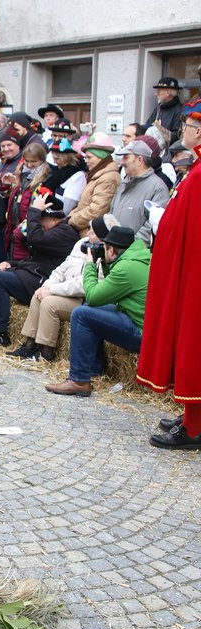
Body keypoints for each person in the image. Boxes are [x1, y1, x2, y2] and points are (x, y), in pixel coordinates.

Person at [137, 102, 201, 448]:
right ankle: (193, 415)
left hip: (194, 273)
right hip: (189, 267)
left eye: (188, 126)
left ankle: (194, 428)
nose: (183, 132)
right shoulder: (197, 168)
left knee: (195, 345)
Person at [46, 225, 150, 397]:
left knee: (81, 314)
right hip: (141, 319)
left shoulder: (127, 269)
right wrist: (106, 262)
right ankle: (93, 368)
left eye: (105, 247)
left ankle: (79, 380)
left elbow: (93, 295)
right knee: (90, 308)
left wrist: (90, 265)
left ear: (113, 250)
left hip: (141, 331)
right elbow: (104, 296)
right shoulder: (138, 257)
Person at [0, 191, 79, 347]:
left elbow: (35, 238)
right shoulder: (54, 230)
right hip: (33, 274)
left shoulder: (65, 232)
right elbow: (33, 260)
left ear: (54, 218)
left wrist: (34, 211)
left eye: (43, 219)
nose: (39, 223)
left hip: (43, 281)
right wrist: (11, 264)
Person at [9, 214, 118, 361]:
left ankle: (46, 352)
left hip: (83, 300)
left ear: (102, 237)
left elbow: (83, 285)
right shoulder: (82, 244)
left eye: (92, 232)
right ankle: (29, 344)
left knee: (49, 303)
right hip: (64, 292)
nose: (87, 234)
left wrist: (53, 290)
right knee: (38, 295)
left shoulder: (106, 255)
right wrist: (47, 286)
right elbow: (62, 268)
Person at [110, 140, 169, 245]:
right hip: (114, 250)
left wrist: (130, 247)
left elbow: (152, 227)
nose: (122, 162)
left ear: (140, 160)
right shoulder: (124, 183)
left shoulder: (158, 188)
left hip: (134, 254)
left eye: (126, 157)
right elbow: (112, 213)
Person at [68, 133, 120, 234]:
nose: (86, 161)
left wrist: (71, 220)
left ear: (101, 157)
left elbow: (96, 211)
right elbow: (84, 204)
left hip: (90, 233)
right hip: (83, 229)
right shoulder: (97, 174)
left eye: (89, 157)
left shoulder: (108, 178)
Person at [0, 130, 22, 265]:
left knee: (6, 263)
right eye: (3, 146)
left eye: (9, 145)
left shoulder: (21, 163)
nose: (6, 149)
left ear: (18, 145)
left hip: (9, 224)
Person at [146, 77, 183, 145]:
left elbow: (177, 136)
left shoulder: (180, 110)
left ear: (168, 93)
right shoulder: (159, 108)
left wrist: (161, 130)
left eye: (158, 91)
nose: (156, 94)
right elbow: (148, 125)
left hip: (169, 153)